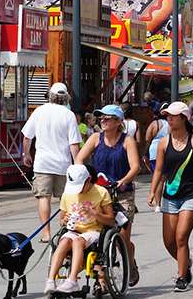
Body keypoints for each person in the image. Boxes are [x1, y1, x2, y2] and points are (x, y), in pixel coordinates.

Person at [147, 101, 193, 292]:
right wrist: (153, 191)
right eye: (167, 115)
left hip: (191, 195)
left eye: (173, 115)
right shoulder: (163, 142)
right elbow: (159, 170)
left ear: (184, 118)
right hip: (170, 196)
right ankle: (185, 263)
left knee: (180, 238)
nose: (168, 118)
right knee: (168, 241)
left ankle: (181, 278)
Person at [76, 104, 141, 287]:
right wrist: (83, 176)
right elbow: (79, 159)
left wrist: (123, 180)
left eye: (106, 118)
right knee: (96, 238)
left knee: (122, 237)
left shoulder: (127, 140)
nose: (102, 121)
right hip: (99, 194)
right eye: (100, 118)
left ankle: (131, 263)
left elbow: (135, 166)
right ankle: (102, 280)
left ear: (118, 121)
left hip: (122, 194)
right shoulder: (96, 138)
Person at [22, 82, 82, 244]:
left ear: (50, 95)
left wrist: (25, 154)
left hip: (42, 163)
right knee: (67, 197)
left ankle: (46, 234)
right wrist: (77, 163)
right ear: (66, 98)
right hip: (63, 164)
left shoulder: (39, 111)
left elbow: (27, 136)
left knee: (43, 197)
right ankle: (68, 230)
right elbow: (74, 143)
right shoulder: (68, 114)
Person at [44, 164, 114, 295]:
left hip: (94, 231)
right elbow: (61, 221)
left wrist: (94, 213)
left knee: (78, 242)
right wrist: (65, 221)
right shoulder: (67, 194)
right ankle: (50, 280)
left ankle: (72, 280)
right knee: (64, 241)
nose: (79, 191)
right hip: (73, 230)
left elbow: (110, 220)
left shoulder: (101, 192)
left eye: (81, 187)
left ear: (89, 179)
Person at [145, 103, 170, 212]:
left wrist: (143, 154)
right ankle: (167, 202)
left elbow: (147, 139)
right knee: (166, 178)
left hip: (154, 150)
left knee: (159, 178)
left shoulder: (154, 124)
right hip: (167, 150)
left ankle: (158, 205)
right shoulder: (171, 124)